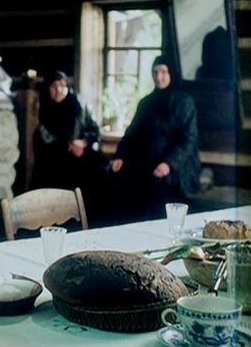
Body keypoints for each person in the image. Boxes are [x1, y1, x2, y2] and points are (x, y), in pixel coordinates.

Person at [110, 55, 201, 222]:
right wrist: (120, 155)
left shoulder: (184, 102)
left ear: (171, 73)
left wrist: (168, 164)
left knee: (159, 201)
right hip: (148, 165)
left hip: (176, 170)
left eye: (163, 72)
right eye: (155, 72)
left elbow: (188, 139)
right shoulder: (146, 103)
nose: (159, 77)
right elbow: (132, 133)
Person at [30, 70, 110, 224]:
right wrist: (68, 146)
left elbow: (94, 130)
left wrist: (83, 142)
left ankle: (94, 221)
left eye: (62, 85)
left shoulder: (78, 106)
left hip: (80, 154)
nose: (59, 90)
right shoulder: (44, 110)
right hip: (55, 160)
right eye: (54, 86)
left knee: (102, 169)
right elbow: (44, 140)